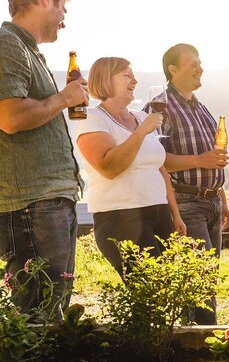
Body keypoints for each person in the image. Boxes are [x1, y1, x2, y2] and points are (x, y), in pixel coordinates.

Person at [0, 0, 87, 317]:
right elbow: (10, 118)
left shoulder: (28, 51)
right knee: (38, 313)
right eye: (62, 7)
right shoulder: (3, 44)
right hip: (29, 204)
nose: (64, 18)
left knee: (50, 309)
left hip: (45, 200)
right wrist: (64, 99)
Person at [75, 57, 186, 278]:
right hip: (121, 216)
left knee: (168, 288)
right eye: (127, 75)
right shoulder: (92, 118)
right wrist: (141, 132)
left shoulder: (142, 117)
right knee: (147, 290)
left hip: (159, 211)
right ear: (106, 80)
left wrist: (175, 213)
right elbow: (109, 168)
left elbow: (159, 169)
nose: (135, 80)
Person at [152, 43, 229, 325]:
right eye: (193, 64)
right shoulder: (160, 107)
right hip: (186, 202)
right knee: (199, 281)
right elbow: (157, 160)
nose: (200, 68)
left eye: (200, 62)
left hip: (211, 201)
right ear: (173, 70)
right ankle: (203, 345)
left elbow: (215, 158)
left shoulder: (201, 106)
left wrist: (222, 198)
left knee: (208, 278)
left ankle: (205, 338)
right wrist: (201, 159)